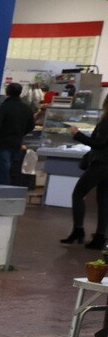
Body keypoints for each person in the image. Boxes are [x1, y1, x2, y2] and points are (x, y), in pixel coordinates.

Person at [63, 92, 108, 250]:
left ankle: (78, 230)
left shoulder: (106, 121)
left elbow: (99, 144)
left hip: (101, 164)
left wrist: (78, 135)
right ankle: (100, 237)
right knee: (103, 201)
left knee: (78, 194)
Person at [0, 82, 34, 188]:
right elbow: (31, 126)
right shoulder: (26, 108)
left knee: (2, 171)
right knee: (2, 169)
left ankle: (2, 192)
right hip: (16, 143)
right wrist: (20, 133)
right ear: (20, 92)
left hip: (2, 143)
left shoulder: (4, 107)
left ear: (7, 92)